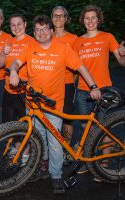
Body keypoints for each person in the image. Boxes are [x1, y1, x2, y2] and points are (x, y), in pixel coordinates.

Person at [9, 15, 100, 194]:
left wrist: (93, 86)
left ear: (51, 31)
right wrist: (13, 72)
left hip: (53, 105)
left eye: (45, 29)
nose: (41, 33)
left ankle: (56, 176)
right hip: (33, 104)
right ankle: (42, 167)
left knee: (55, 143)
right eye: (37, 30)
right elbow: (16, 62)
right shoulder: (30, 47)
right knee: (38, 138)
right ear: (33, 32)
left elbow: (80, 67)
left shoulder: (63, 49)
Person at [73, 5, 125, 175]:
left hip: (104, 89)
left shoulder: (107, 37)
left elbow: (122, 63)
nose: (90, 21)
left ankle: (104, 164)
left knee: (104, 127)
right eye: (87, 18)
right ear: (83, 20)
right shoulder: (77, 41)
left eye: (93, 18)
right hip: (83, 91)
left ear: (98, 20)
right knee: (86, 128)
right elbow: (76, 69)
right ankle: (90, 161)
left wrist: (123, 53)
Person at [0, 13, 35, 165]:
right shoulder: (8, 41)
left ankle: (25, 156)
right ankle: (16, 148)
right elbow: (0, 64)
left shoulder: (32, 42)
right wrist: (2, 53)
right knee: (9, 124)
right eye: (13, 25)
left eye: (19, 24)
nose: (16, 27)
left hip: (24, 92)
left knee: (25, 125)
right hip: (8, 90)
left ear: (25, 24)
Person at [51, 5, 78, 166]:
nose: (58, 18)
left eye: (61, 16)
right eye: (55, 15)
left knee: (67, 118)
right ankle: (53, 150)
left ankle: (66, 149)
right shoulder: (46, 35)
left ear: (66, 19)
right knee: (49, 118)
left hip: (67, 84)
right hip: (49, 86)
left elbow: (78, 64)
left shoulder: (73, 39)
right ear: (52, 18)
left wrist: (72, 81)